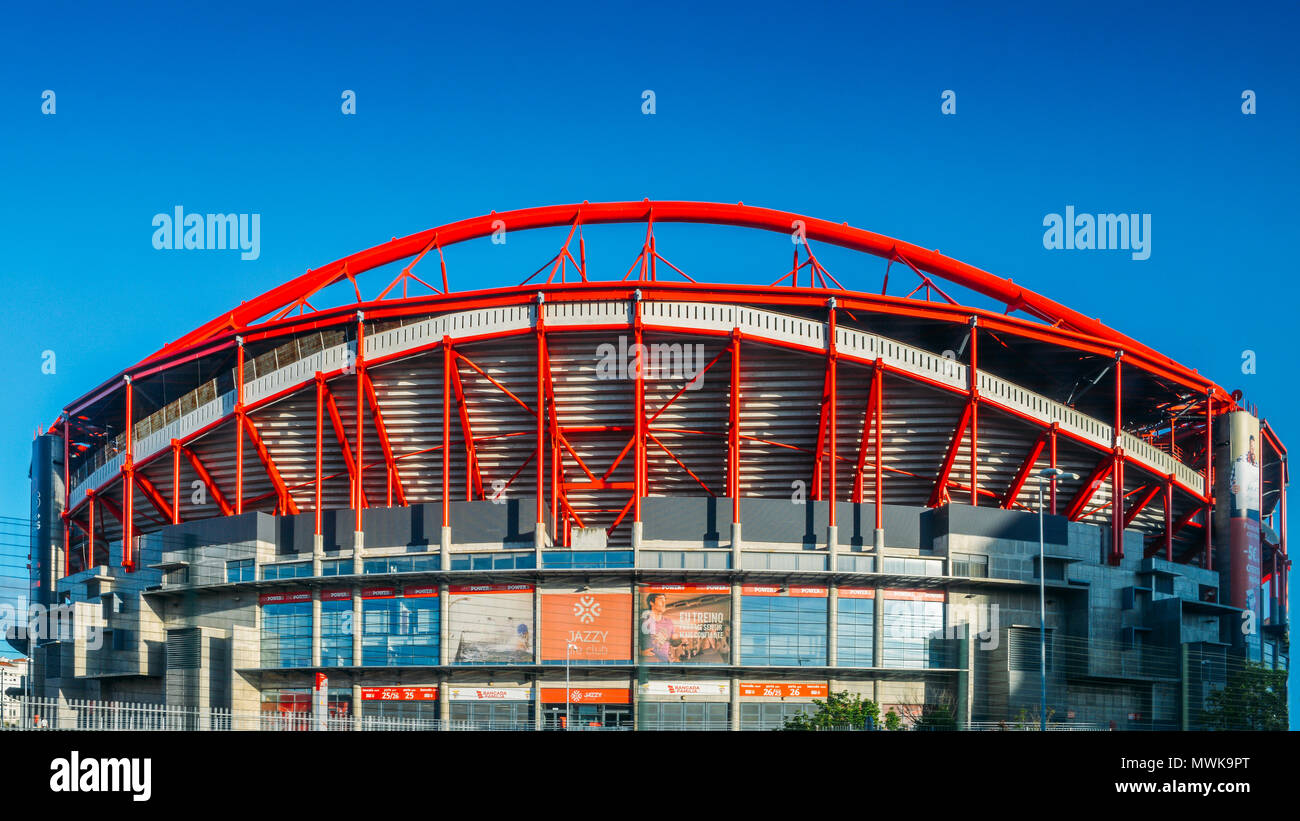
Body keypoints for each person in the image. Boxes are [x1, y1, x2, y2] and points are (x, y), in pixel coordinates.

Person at [640, 593, 678, 662]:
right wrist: (639, 652)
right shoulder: (643, 621)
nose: (664, 603)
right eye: (661, 600)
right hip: (649, 664)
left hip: (665, 664)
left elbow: (674, 642)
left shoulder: (669, 622)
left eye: (665, 600)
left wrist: (678, 640)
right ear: (651, 603)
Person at [1229, 434, 1260, 518]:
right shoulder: (1241, 460)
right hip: (1240, 503)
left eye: (1253, 447)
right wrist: (1233, 488)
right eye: (1251, 447)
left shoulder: (1256, 464)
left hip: (1251, 505)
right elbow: (1231, 483)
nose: (1252, 449)